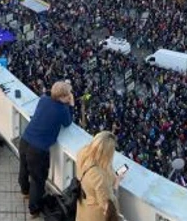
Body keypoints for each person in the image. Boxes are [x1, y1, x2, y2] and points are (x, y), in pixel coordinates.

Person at [19, 81, 75, 218]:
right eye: (68, 94)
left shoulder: (43, 100)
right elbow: (67, 123)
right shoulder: (62, 109)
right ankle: (34, 209)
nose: (70, 95)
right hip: (38, 150)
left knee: (24, 168)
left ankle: (24, 191)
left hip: (25, 140)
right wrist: (71, 105)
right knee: (38, 180)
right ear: (63, 96)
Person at [76, 132, 122, 221]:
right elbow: (108, 204)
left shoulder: (82, 154)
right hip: (94, 215)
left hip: (83, 207)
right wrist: (116, 186)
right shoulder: (98, 176)